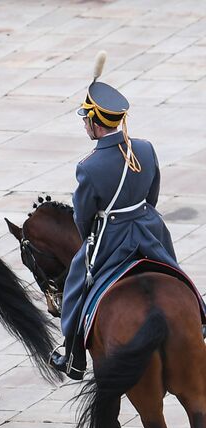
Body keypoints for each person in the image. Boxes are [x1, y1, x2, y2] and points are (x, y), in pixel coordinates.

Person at [52, 53, 180, 380]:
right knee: (173, 269)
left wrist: (88, 240)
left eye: (85, 119)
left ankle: (72, 354)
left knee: (76, 282)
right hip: (149, 227)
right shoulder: (146, 148)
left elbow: (83, 218)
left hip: (113, 235)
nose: (84, 124)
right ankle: (201, 319)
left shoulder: (89, 167)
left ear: (96, 122)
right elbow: (152, 194)